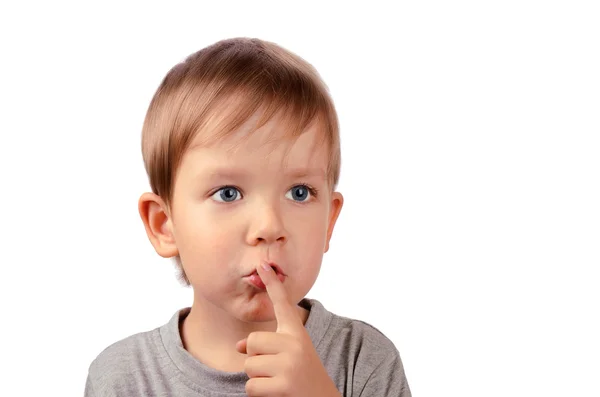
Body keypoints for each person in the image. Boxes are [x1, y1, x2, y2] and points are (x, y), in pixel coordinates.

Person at [84, 37, 411, 397]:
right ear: (164, 225)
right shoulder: (123, 378)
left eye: (299, 192)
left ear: (329, 223)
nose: (269, 226)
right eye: (228, 193)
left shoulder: (363, 362)